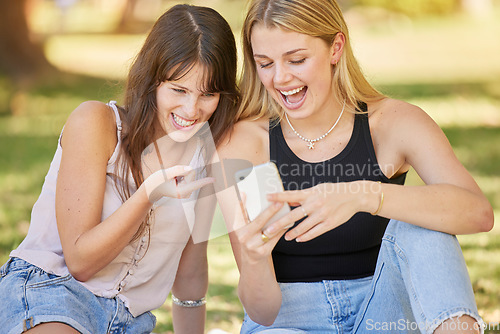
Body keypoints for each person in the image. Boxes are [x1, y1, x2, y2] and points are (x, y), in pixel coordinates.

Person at [215, 0, 494, 333]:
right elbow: (261, 313)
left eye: (297, 59)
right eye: (265, 63)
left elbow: (478, 213)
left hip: (384, 311)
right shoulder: (243, 144)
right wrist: (255, 260)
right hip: (288, 319)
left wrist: (366, 195)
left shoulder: (392, 123)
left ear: (336, 48)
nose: (280, 78)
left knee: (423, 224)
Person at [0, 4, 238, 334]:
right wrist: (148, 196)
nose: (192, 109)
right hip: (52, 294)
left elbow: (191, 272)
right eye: (178, 90)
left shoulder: (207, 156)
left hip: (129, 322)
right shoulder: (97, 124)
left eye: (208, 94)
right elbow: (80, 263)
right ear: (153, 80)